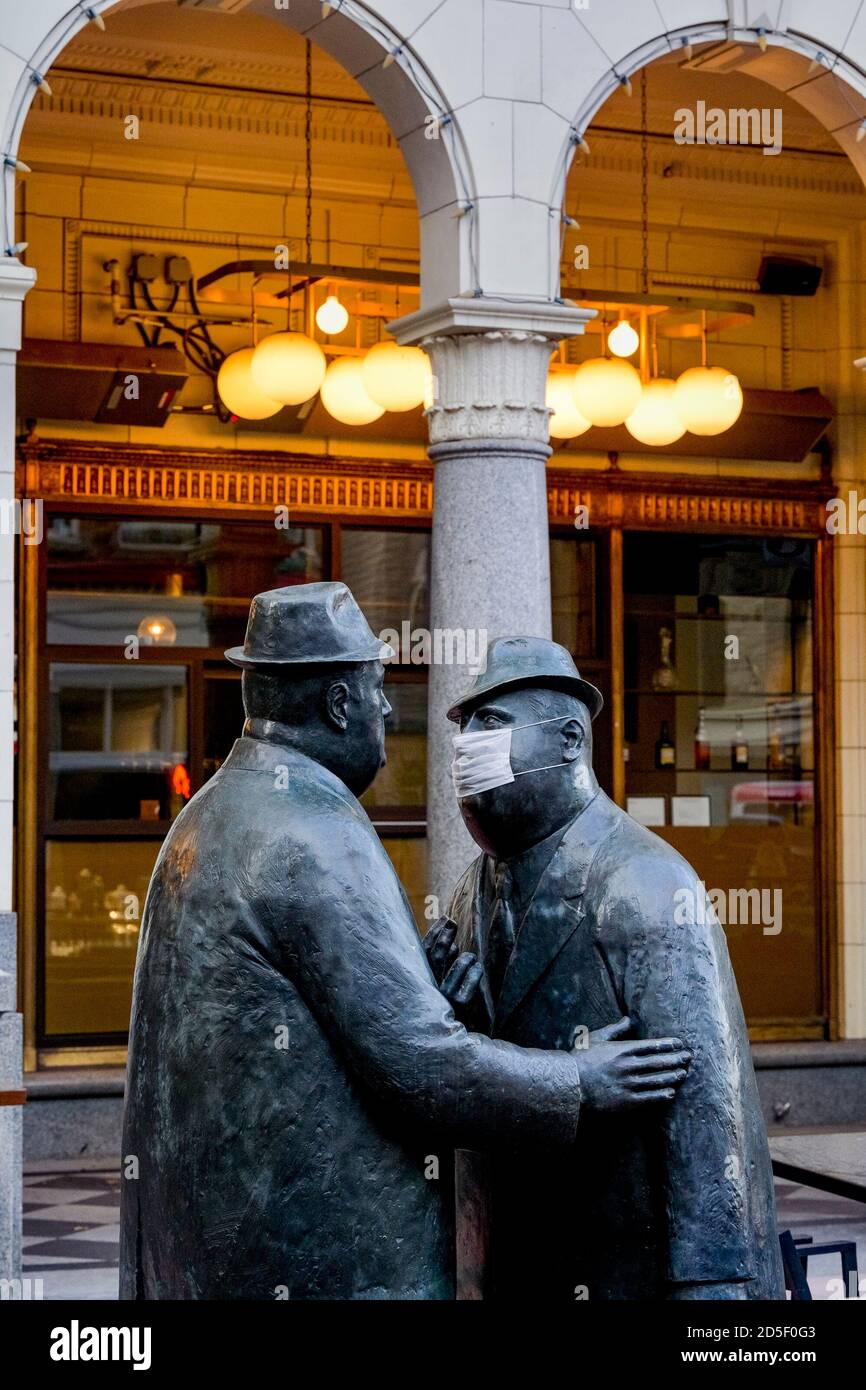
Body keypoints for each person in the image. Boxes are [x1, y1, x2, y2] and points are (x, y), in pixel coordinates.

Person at [119, 585, 690, 1300]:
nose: (388, 711)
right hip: (314, 1268)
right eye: (378, 691)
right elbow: (420, 1067)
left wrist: (412, 986)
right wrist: (583, 1083)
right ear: (338, 704)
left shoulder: (211, 814)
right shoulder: (314, 830)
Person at [427, 635, 784, 1301]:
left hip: (626, 1268)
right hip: (516, 1259)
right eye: (466, 725)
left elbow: (708, 1115)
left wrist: (715, 1289)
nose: (468, 745)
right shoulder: (468, 891)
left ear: (568, 740)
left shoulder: (646, 881)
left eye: (493, 724)